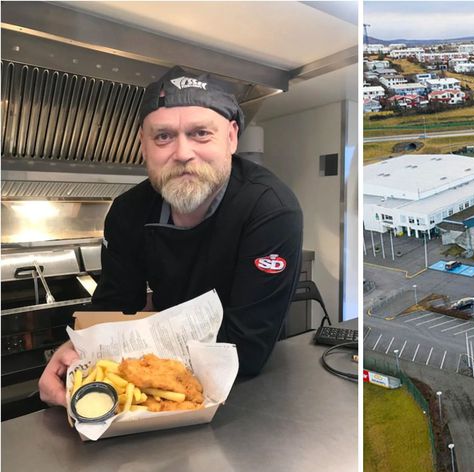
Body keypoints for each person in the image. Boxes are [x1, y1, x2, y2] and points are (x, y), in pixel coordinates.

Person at [39, 66, 303, 406]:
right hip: (157, 392)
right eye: (163, 136)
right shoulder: (127, 212)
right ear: (143, 146)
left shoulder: (270, 210)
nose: (182, 153)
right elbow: (113, 309)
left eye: (201, 133)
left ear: (232, 137)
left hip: (250, 393)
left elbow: (247, 349)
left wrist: (132, 346)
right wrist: (80, 348)